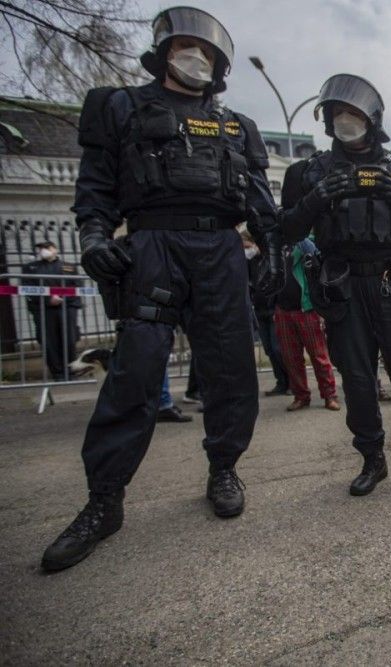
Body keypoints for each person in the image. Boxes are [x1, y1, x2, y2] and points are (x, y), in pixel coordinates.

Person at [41, 7, 284, 572]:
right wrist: (95, 234)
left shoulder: (236, 125)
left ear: (221, 65)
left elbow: (258, 202)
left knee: (230, 369)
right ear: (164, 51)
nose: (197, 58)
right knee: (135, 372)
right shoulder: (120, 106)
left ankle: (223, 466)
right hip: (152, 247)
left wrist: (273, 249)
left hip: (220, 251)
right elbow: (95, 187)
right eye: (185, 47)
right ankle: (104, 501)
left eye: (208, 53)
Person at [281, 73, 391, 496]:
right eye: (336, 113)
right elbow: (283, 228)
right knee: (356, 379)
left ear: (371, 118)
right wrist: (315, 198)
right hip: (343, 287)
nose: (344, 120)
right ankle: (373, 460)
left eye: (352, 112)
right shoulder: (308, 171)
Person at [274, 238, 341, 412]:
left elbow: (316, 260)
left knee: (319, 356)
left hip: (307, 309)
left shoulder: (305, 243)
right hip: (283, 310)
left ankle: (330, 396)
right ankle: (301, 396)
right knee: (291, 358)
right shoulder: (276, 244)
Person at [22, 240, 82, 380]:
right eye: (41, 248)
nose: (43, 250)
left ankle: (71, 371)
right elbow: (28, 289)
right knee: (49, 342)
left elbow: (77, 286)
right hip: (43, 310)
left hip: (66, 308)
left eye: (46, 247)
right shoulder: (31, 268)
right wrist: (48, 299)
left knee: (68, 340)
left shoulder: (68, 267)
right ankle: (58, 373)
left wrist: (62, 298)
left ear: (55, 249)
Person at [243, 230, 289, 396]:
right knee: (269, 349)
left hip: (274, 308)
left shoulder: (272, 257)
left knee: (278, 349)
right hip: (259, 309)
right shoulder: (250, 260)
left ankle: (291, 382)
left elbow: (278, 280)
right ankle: (281, 383)